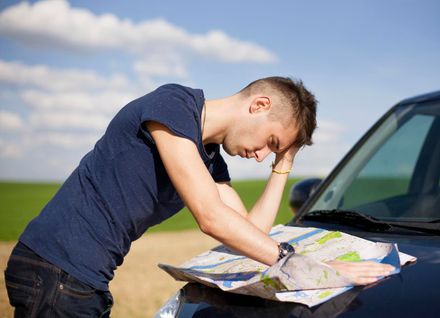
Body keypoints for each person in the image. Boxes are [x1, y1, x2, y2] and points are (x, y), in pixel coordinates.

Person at [4, 76, 394, 317]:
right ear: (259, 105)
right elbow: (211, 217)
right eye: (270, 143)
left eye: (272, 154)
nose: (261, 156)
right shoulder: (173, 106)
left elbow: (250, 232)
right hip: (55, 271)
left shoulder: (207, 159)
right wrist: (303, 265)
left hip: (78, 278)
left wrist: (284, 161)